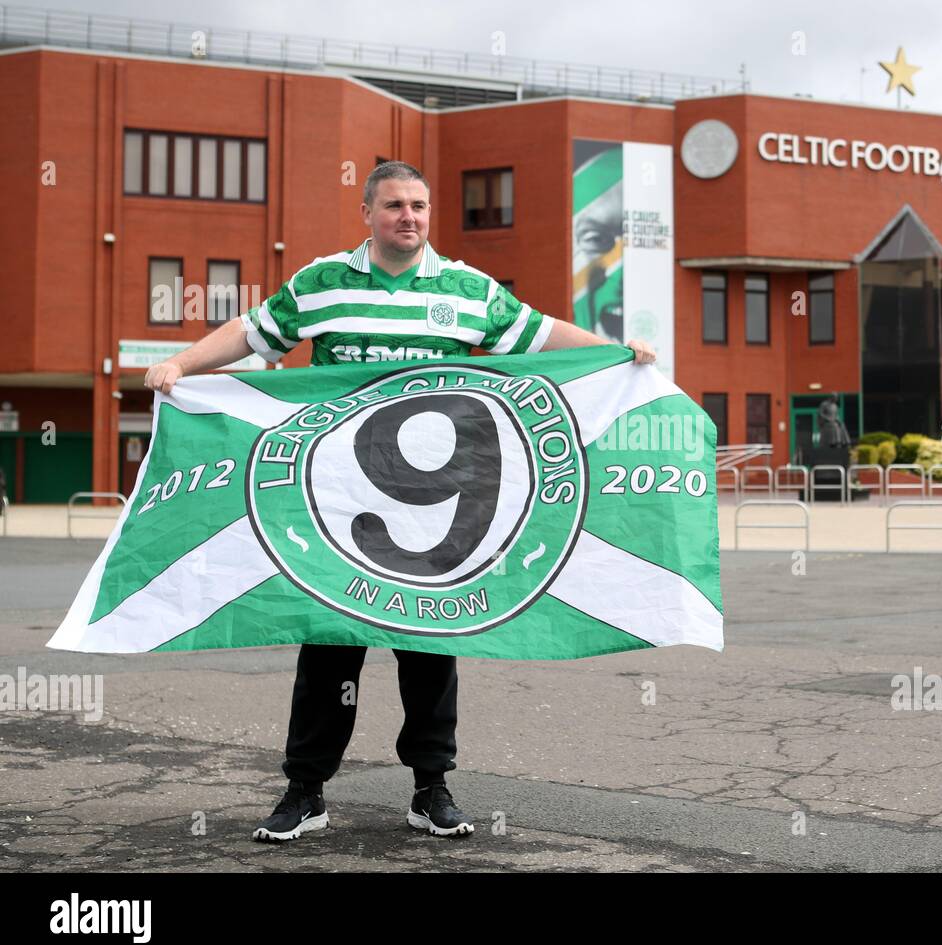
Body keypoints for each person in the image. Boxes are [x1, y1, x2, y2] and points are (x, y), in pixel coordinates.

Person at [144, 161, 656, 843]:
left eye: (418, 204)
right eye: (393, 205)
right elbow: (251, 332)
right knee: (330, 644)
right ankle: (306, 789)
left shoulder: (466, 290)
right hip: (335, 496)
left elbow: (540, 334)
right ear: (368, 212)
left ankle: (430, 787)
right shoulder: (324, 283)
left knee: (429, 640)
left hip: (437, 506)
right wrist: (181, 362)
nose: (408, 216)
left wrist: (616, 352)